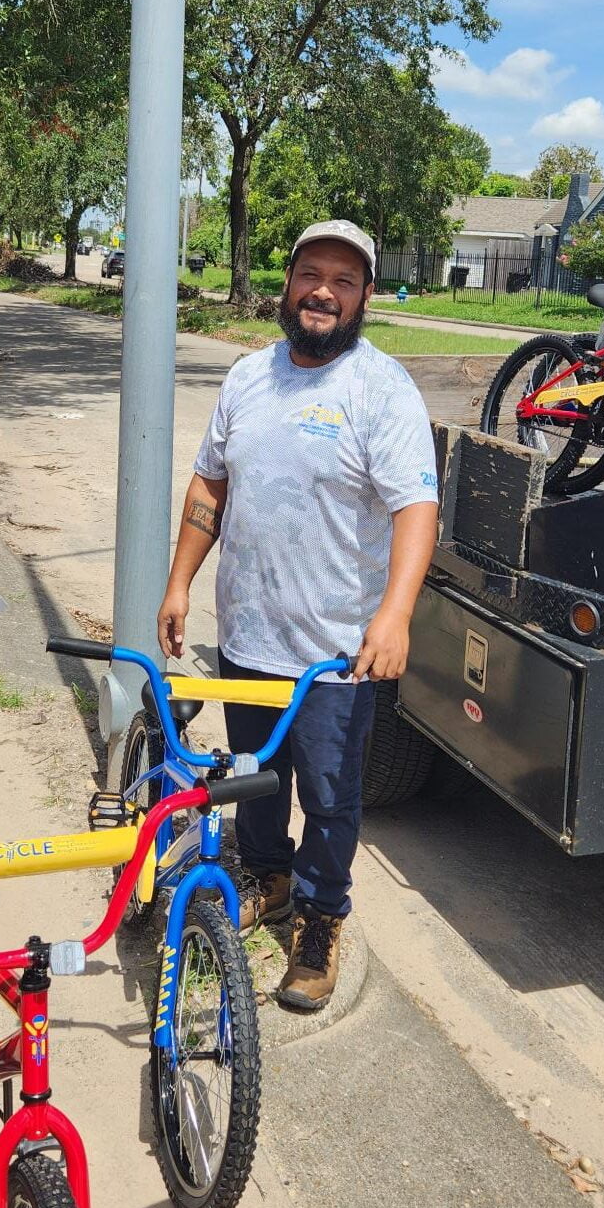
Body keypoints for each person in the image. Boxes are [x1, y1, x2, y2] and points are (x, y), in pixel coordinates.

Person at [158, 219, 439, 1011]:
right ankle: (269, 881)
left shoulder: (381, 389)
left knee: (327, 795)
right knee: (256, 782)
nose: (324, 291)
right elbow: (210, 484)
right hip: (249, 633)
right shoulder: (248, 377)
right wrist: (179, 582)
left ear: (366, 297)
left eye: (344, 280)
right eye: (311, 273)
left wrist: (395, 615)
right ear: (287, 284)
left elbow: (417, 505)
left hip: (333, 652)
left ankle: (320, 918)